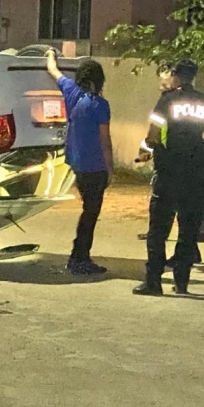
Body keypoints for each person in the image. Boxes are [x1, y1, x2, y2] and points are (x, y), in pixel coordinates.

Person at [133, 59, 204, 296]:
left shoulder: (167, 100)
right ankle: (182, 282)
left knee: (158, 230)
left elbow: (152, 136)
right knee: (187, 229)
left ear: (176, 76)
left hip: (168, 171)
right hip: (194, 173)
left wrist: (147, 152)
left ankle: (153, 282)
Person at [46, 48, 114, 275]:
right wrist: (110, 169)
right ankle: (79, 257)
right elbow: (105, 141)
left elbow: (53, 71)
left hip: (77, 164)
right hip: (95, 167)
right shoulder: (100, 105)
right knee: (90, 213)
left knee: (88, 210)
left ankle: (79, 256)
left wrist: (50, 54)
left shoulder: (72, 93)